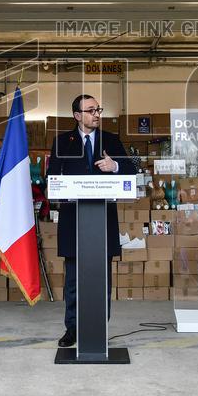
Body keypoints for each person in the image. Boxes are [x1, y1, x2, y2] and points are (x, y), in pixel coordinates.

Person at [47, 94, 134, 349]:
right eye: (90, 110)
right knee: (73, 280)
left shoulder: (112, 140)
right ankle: (72, 329)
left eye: (99, 109)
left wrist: (115, 166)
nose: (97, 114)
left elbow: (131, 171)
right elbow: (53, 177)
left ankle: (99, 328)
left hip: (102, 220)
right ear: (77, 116)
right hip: (74, 220)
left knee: (101, 278)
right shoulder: (62, 141)